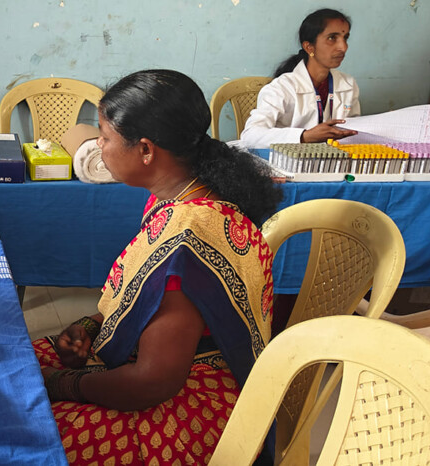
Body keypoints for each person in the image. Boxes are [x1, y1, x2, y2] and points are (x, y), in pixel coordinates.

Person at [34, 69, 283, 465]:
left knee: (25, 432)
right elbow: (148, 299)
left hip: (192, 407)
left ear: (146, 150)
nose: (99, 145)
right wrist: (91, 326)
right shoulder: (181, 198)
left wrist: (64, 385)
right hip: (175, 370)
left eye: (105, 136)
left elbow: (153, 382)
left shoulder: (186, 237)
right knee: (13, 363)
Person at [240, 8, 360, 148]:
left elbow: (355, 129)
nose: (343, 47)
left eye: (345, 38)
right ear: (309, 47)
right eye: (332, 38)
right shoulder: (282, 87)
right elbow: (250, 135)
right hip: (283, 162)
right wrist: (304, 136)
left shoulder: (348, 85)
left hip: (328, 163)